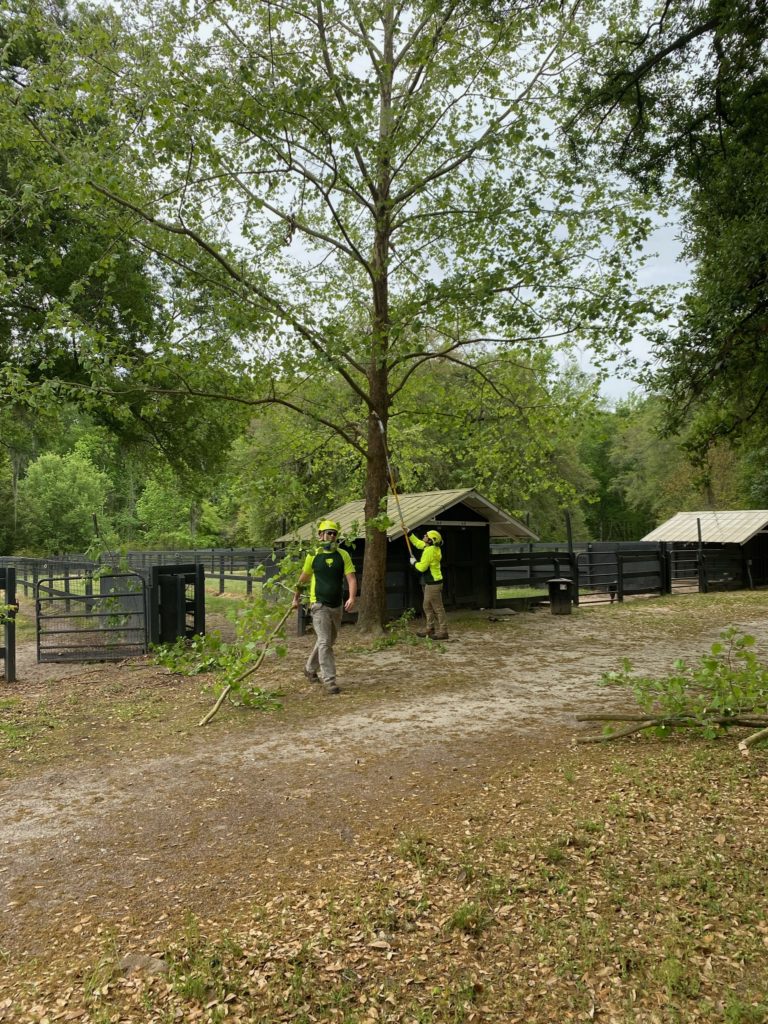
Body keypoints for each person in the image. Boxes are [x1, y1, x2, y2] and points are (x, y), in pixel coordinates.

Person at [292, 519, 357, 694]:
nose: (332, 536)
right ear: (320, 535)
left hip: (336, 605)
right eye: (328, 533)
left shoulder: (343, 555)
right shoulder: (313, 555)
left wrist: (351, 597)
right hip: (318, 604)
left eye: (334, 533)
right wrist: (295, 598)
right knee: (324, 641)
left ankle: (309, 668)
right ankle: (330, 680)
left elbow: (351, 578)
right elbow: (302, 579)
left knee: (329, 640)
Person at [409, 529, 448, 639]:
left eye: (426, 535)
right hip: (431, 583)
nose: (424, 536)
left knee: (438, 608)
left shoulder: (429, 551)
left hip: (433, 584)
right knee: (427, 606)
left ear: (430, 540)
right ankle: (430, 629)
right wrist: (409, 534)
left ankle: (443, 631)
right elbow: (418, 543)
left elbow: (421, 568)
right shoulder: (431, 547)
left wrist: (414, 563)